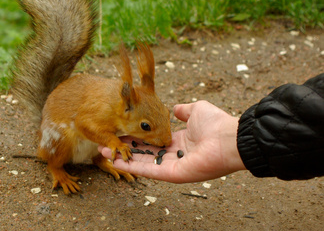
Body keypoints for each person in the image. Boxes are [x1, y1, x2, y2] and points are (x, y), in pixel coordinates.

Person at [98, 72, 324, 183]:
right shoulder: (104, 112)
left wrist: (234, 142)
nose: (166, 141)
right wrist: (112, 141)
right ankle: (59, 169)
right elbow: (85, 126)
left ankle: (98, 161)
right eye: (146, 127)